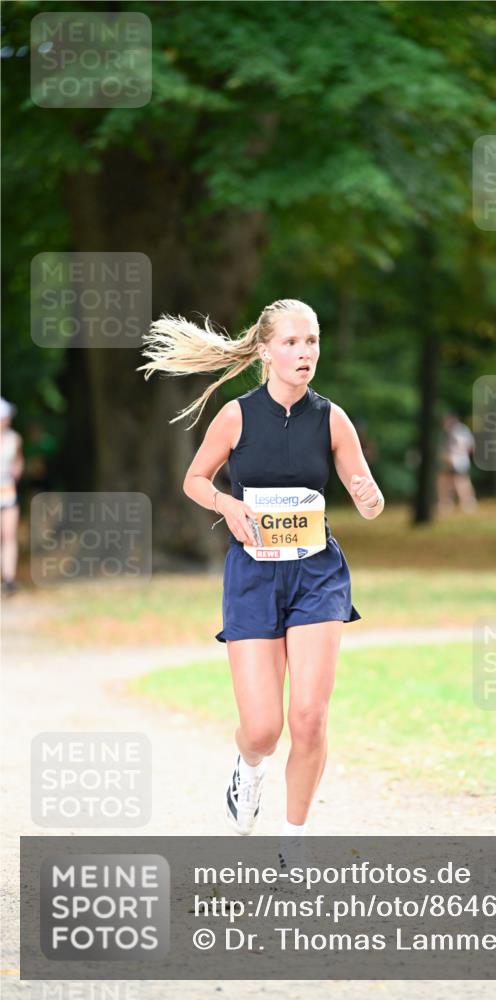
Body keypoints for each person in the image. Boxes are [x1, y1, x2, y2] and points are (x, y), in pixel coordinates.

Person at [138, 299, 383, 868]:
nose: (305, 353)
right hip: (253, 575)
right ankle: (248, 772)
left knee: (309, 718)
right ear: (267, 350)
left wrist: (370, 499)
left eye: (313, 342)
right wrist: (227, 505)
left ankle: (293, 845)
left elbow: (364, 492)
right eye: (293, 343)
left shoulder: (333, 418)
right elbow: (194, 479)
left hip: (316, 573)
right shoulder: (237, 415)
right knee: (264, 728)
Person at [0, 397, 23, 596]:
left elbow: (18, 462)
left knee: (9, 535)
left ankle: (9, 579)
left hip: (7, 492)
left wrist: (17, 470)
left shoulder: (14, 438)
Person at [436, 412, 476, 513]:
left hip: (455, 460)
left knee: (457, 482)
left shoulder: (456, 431)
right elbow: (471, 447)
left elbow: (460, 447)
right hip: (457, 460)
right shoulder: (460, 430)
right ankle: (462, 503)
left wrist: (450, 456)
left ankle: (463, 503)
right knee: (451, 481)